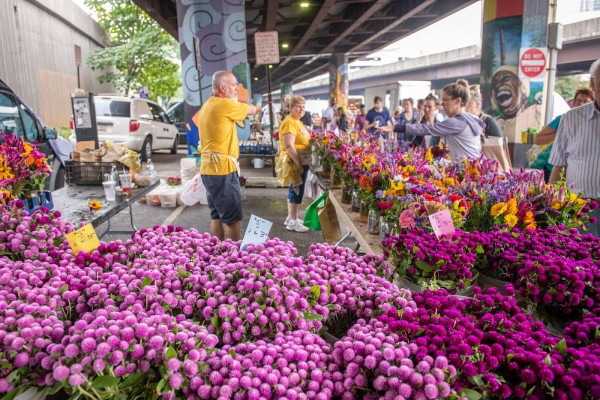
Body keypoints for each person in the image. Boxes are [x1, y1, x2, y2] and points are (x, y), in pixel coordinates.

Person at [196, 70, 257, 242]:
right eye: (233, 85)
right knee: (232, 219)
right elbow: (252, 109)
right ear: (222, 87)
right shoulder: (224, 104)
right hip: (222, 169)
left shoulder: (208, 104)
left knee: (216, 216)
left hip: (209, 169)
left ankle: (219, 253)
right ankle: (232, 260)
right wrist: (238, 101)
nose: (236, 88)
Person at [549, 58, 600, 236]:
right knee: (578, 260)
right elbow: (559, 164)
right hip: (579, 210)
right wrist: (550, 207)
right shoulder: (571, 118)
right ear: (593, 83)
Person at [379, 79, 484, 161]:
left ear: (458, 101)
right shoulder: (471, 119)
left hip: (467, 172)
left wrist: (394, 127)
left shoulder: (456, 123)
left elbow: (426, 129)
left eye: (445, 101)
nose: (442, 104)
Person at [532, 88, 594, 182]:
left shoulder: (595, 122)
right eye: (578, 101)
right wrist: (563, 133)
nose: (581, 104)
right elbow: (537, 139)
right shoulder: (564, 119)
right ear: (573, 103)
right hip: (554, 168)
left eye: (585, 101)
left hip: (580, 173)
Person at [280, 95, 312, 233]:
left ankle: (290, 217)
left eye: (303, 106)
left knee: (294, 189)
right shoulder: (289, 122)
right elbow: (289, 146)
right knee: (297, 190)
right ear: (291, 107)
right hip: (294, 161)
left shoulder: (297, 121)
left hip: (301, 160)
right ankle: (293, 222)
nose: (301, 109)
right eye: (298, 106)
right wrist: (298, 164)